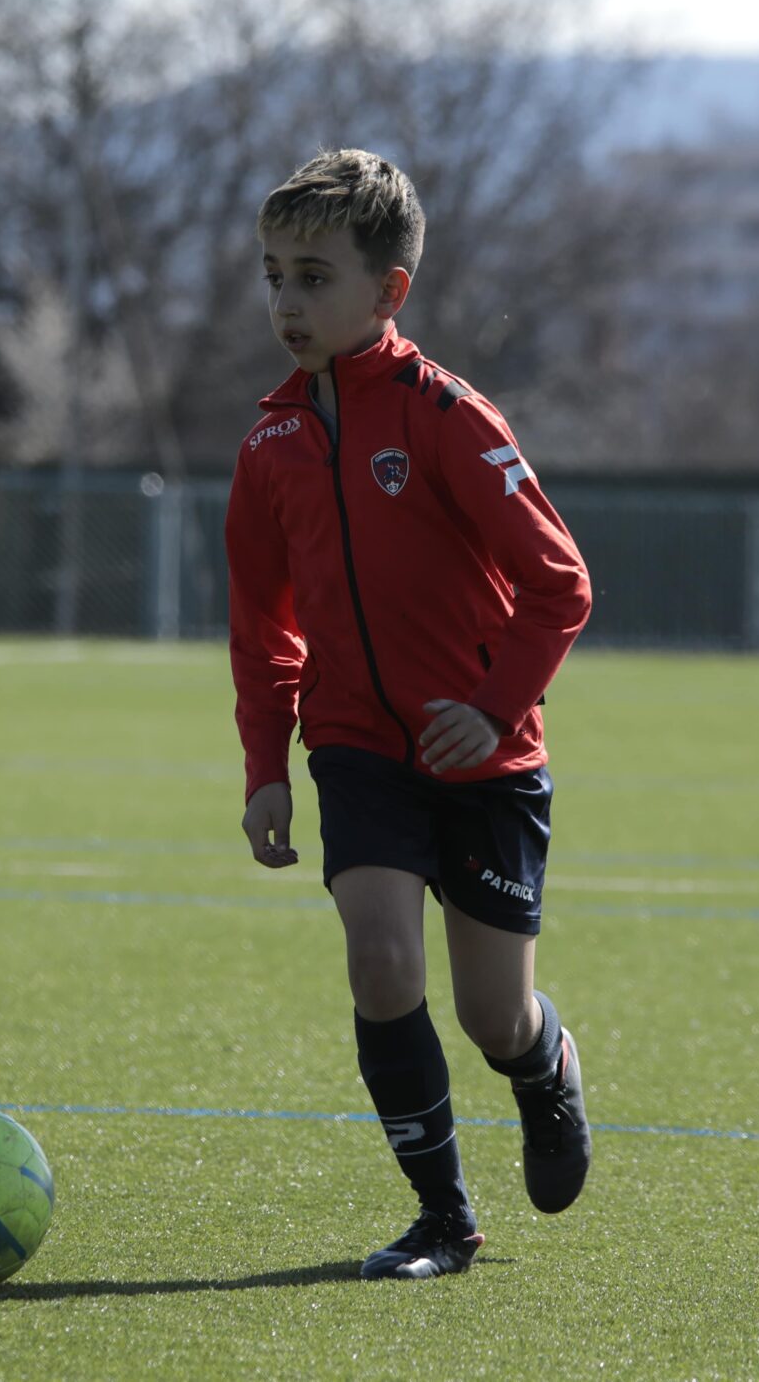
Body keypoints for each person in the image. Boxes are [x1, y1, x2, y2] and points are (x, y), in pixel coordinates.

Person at [225, 149, 596, 1280]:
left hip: (484, 765)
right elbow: (260, 626)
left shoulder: (444, 415)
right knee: (382, 968)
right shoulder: (269, 441)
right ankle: (444, 1218)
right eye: (276, 277)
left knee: (495, 1018)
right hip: (356, 751)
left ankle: (544, 1069)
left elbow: (560, 584)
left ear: (388, 292)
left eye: (315, 278)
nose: (288, 303)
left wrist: (491, 711)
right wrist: (266, 768)